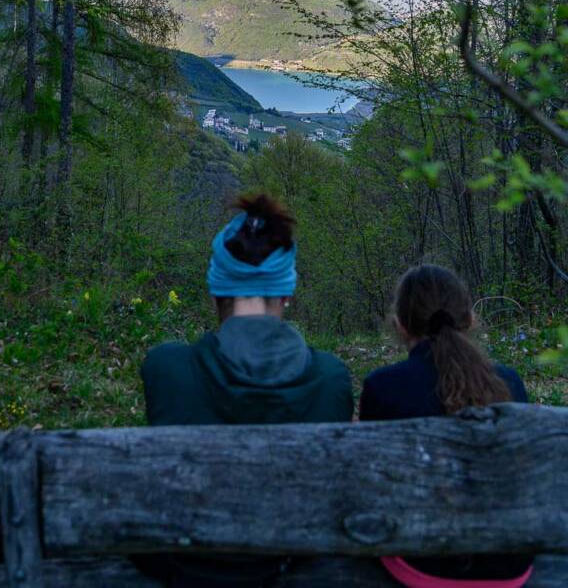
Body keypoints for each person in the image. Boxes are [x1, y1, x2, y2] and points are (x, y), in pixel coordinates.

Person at [137, 193, 353, 587]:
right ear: (286, 292)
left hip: (185, 569)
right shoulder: (331, 379)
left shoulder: (165, 369)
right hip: (291, 568)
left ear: (215, 289)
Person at [359, 264, 533, 588]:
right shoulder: (509, 382)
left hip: (421, 565)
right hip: (508, 564)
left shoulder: (383, 387)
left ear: (400, 325)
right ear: (470, 320)